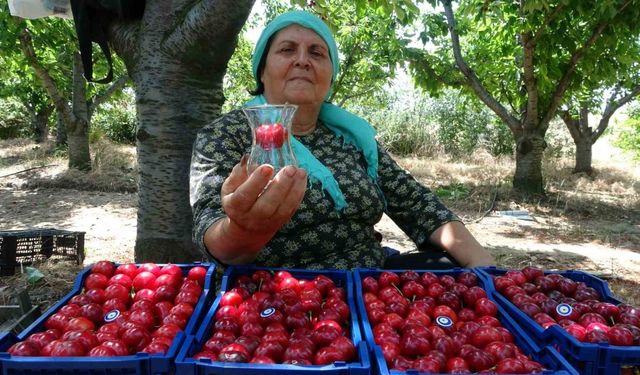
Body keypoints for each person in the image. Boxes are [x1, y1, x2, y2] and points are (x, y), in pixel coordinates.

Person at [189, 10, 494, 270]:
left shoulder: (352, 138)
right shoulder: (225, 134)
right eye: (286, 50)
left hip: (368, 285)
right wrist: (244, 232)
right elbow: (212, 233)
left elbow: (418, 205)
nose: (302, 61)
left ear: (330, 76)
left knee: (451, 271)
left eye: (317, 53)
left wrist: (490, 273)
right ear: (262, 69)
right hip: (276, 297)